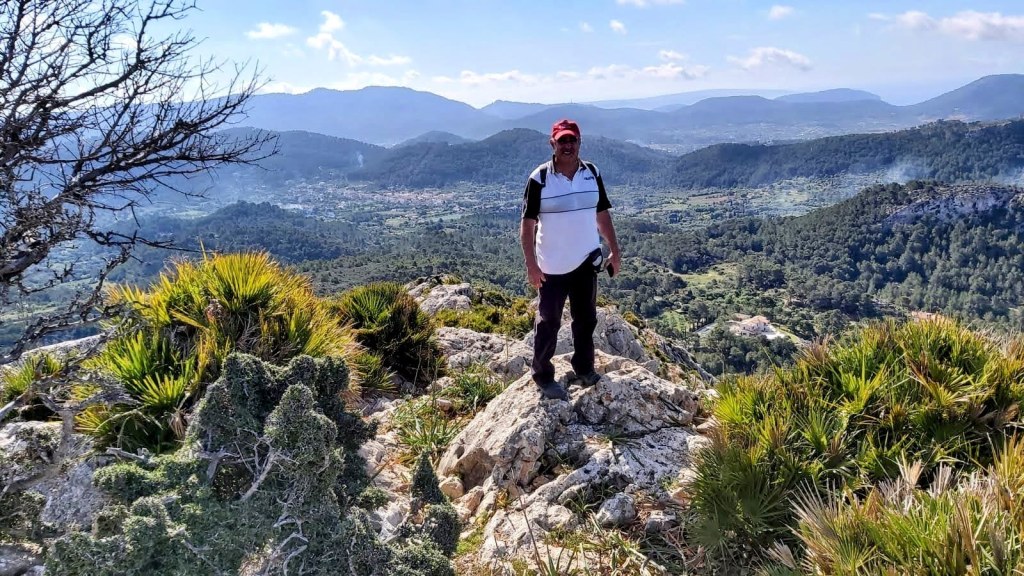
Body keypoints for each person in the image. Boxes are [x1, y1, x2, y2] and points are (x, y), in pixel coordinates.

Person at [520, 119, 621, 401]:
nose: (567, 146)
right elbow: (527, 224)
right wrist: (531, 264)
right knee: (548, 322)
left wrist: (614, 249)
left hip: (586, 262)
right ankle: (542, 376)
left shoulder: (592, 173)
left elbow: (602, 214)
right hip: (551, 266)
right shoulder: (539, 178)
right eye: (562, 141)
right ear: (552, 144)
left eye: (572, 140)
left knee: (586, 319)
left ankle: (584, 368)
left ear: (579, 142)